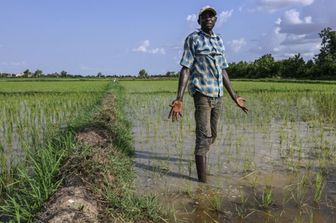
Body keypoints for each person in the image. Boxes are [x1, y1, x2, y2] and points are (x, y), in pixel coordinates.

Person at [168, 6, 248, 183]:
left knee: (213, 135)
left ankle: (201, 156)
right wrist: (179, 97)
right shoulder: (193, 39)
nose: (208, 19)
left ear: (216, 20)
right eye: (204, 16)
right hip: (202, 94)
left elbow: (223, 71)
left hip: (218, 95)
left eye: (211, 16)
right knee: (203, 138)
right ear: (199, 21)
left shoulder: (219, 40)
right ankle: (203, 186)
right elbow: (186, 68)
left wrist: (235, 96)